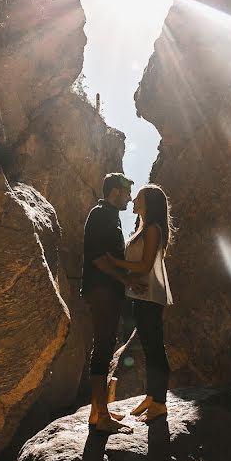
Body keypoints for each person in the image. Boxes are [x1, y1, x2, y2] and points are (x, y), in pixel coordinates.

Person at [107, 184, 174, 423]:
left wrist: (116, 263)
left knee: (155, 348)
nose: (134, 200)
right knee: (148, 347)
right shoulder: (143, 228)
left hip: (150, 296)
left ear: (149, 203)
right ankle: (151, 396)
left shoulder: (153, 229)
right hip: (140, 295)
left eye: (139, 197)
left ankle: (159, 403)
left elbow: (145, 266)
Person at [81, 173, 142, 433]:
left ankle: (99, 409)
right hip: (102, 290)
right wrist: (125, 280)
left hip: (107, 291)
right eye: (127, 193)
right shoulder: (100, 215)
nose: (130, 198)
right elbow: (98, 258)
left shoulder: (109, 216)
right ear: (116, 191)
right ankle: (99, 414)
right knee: (103, 347)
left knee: (105, 345)